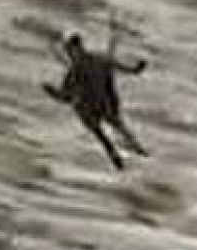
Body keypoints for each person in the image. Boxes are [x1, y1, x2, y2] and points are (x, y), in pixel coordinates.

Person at [43, 30, 149, 171]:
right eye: (68, 52)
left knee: (117, 127)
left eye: (71, 51)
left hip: (103, 102)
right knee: (104, 133)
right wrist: (52, 92)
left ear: (79, 48)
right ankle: (119, 159)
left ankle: (139, 153)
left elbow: (125, 68)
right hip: (90, 107)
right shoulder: (75, 71)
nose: (70, 55)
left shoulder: (95, 61)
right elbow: (65, 97)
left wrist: (137, 68)